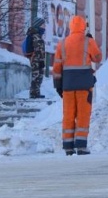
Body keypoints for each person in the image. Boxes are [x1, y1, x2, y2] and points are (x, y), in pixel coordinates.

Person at [52, 15, 102, 156]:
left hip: (67, 85)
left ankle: (68, 146)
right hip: (84, 85)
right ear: (84, 27)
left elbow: (56, 67)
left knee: (68, 114)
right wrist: (91, 41)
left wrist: (58, 85)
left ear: (70, 27)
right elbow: (98, 58)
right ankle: (81, 146)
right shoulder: (88, 41)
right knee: (83, 115)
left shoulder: (62, 44)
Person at [26, 17, 47, 99]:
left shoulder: (39, 35)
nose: (44, 26)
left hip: (39, 59)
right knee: (35, 76)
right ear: (38, 25)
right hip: (35, 59)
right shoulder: (34, 35)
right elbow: (34, 49)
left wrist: (42, 60)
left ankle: (37, 93)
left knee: (40, 76)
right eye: (43, 24)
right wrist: (38, 59)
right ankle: (33, 93)